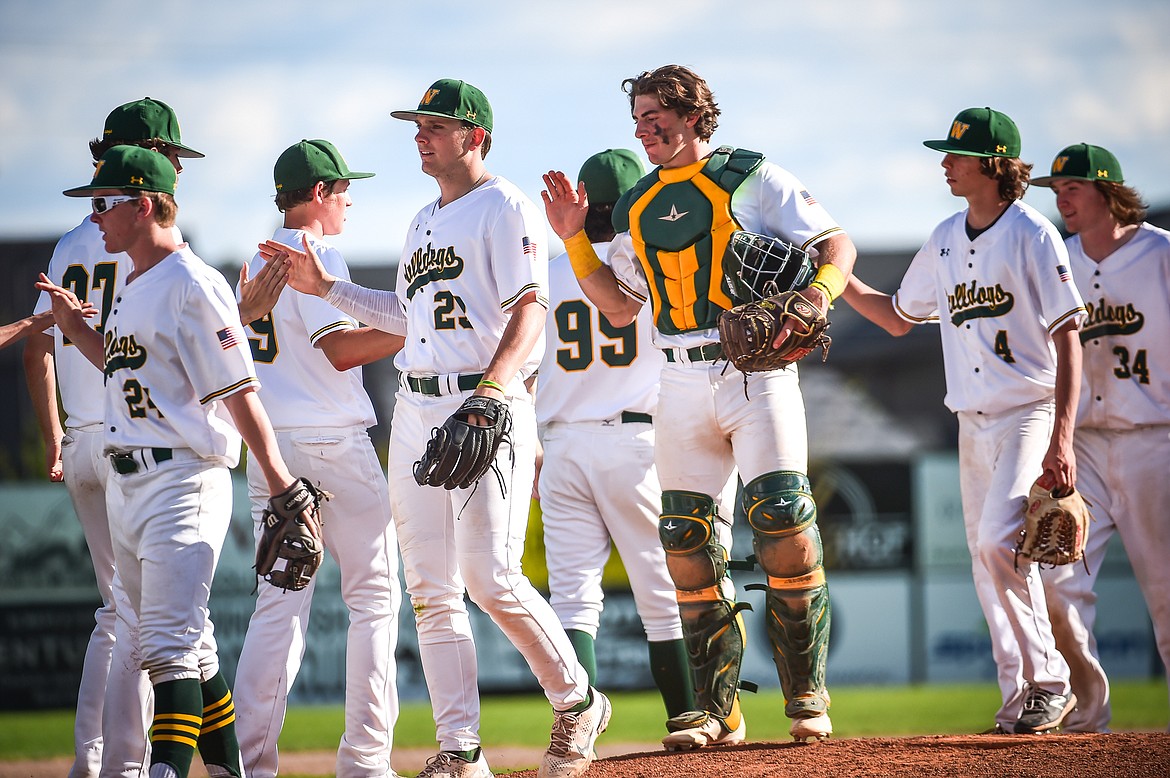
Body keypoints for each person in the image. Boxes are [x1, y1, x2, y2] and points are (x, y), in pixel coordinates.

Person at [262, 78, 609, 778]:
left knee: (490, 577)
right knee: (430, 591)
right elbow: (406, 315)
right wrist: (324, 287)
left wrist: (491, 390)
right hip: (417, 408)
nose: (421, 136)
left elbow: (531, 309)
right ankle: (461, 750)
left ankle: (577, 703)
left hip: (483, 402)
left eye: (435, 126)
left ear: (474, 135)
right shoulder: (422, 218)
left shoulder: (504, 206)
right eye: (418, 125)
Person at [541, 64, 857, 748]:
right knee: (686, 543)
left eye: (655, 115)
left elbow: (838, 245)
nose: (644, 129)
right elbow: (621, 307)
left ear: (691, 115)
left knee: (783, 522)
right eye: (637, 120)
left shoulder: (749, 175)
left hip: (757, 371)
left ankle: (806, 696)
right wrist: (572, 235)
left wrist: (817, 296)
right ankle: (719, 710)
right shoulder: (634, 204)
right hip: (679, 378)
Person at [24, 98, 284, 778]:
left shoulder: (193, 282)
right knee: (187, 648)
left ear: (143, 204)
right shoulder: (135, 282)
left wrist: (279, 479)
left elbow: (240, 392)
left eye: (106, 200)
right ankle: (235, 773)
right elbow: (115, 356)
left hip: (181, 476)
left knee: (163, 646)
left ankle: (149, 770)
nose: (96, 213)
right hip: (127, 476)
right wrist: (71, 326)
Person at [841, 108, 1086, 734]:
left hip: (1028, 411)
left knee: (995, 542)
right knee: (987, 563)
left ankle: (1050, 682)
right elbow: (897, 317)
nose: (945, 163)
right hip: (971, 423)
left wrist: (1062, 437)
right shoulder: (946, 235)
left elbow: (1069, 338)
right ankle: (1017, 698)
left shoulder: (1034, 234)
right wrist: (833, 276)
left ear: (993, 163)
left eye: (956, 154)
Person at [232, 139, 405, 778]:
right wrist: (419, 330)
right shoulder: (315, 253)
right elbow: (339, 349)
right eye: (341, 189)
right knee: (375, 600)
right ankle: (364, 763)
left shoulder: (251, 261)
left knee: (278, 606)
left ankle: (248, 766)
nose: (349, 199)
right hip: (332, 442)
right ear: (318, 195)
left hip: (272, 449)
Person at [535, 149, 694, 724]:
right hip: (635, 443)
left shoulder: (548, 274)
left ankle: (576, 725)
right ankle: (686, 716)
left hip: (560, 444)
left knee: (573, 599)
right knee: (662, 591)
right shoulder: (653, 268)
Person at [1028, 143, 1170, 732]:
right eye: (1056, 191)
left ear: (1108, 192)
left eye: (1073, 189)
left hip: (1153, 440)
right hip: (1081, 446)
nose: (1061, 200)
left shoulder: (1160, 253)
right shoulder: (1058, 259)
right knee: (1058, 583)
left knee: (1165, 594)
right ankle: (1088, 713)